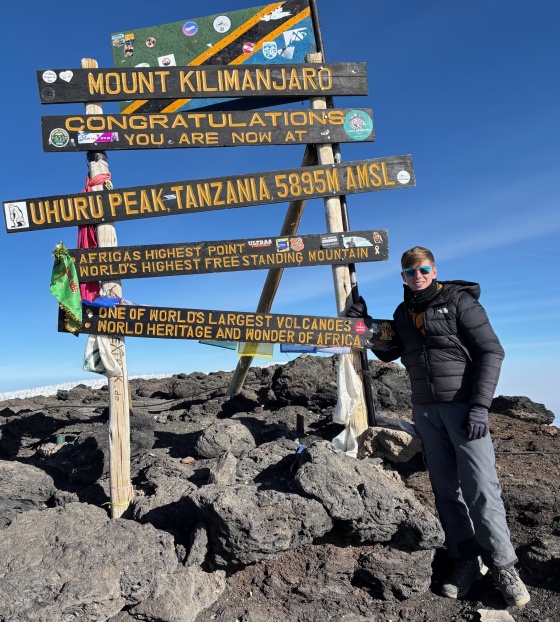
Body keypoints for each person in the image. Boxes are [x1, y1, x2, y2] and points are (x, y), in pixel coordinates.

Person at [347, 246, 530, 607]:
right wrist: (365, 324)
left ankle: (504, 566)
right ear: (402, 276)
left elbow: (492, 351)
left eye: (423, 269)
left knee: (481, 488)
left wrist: (480, 406)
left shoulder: (461, 302)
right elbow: (391, 351)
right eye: (410, 272)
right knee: (445, 489)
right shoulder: (403, 312)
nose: (417, 276)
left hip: (463, 409)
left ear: (434, 270)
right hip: (426, 411)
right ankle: (465, 559)